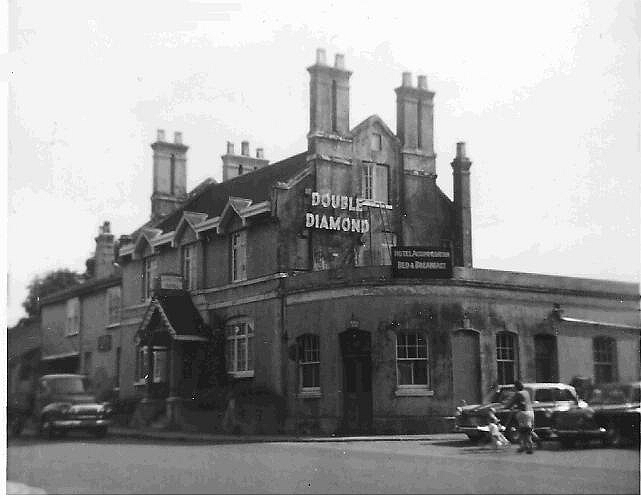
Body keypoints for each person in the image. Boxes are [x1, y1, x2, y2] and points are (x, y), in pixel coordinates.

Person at [506, 380, 535, 454]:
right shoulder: (526, 392)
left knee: (524, 431)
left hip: (523, 413)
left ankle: (529, 447)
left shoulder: (518, 394)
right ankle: (524, 446)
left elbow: (509, 404)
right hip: (531, 412)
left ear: (516, 387)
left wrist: (507, 406)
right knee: (526, 430)